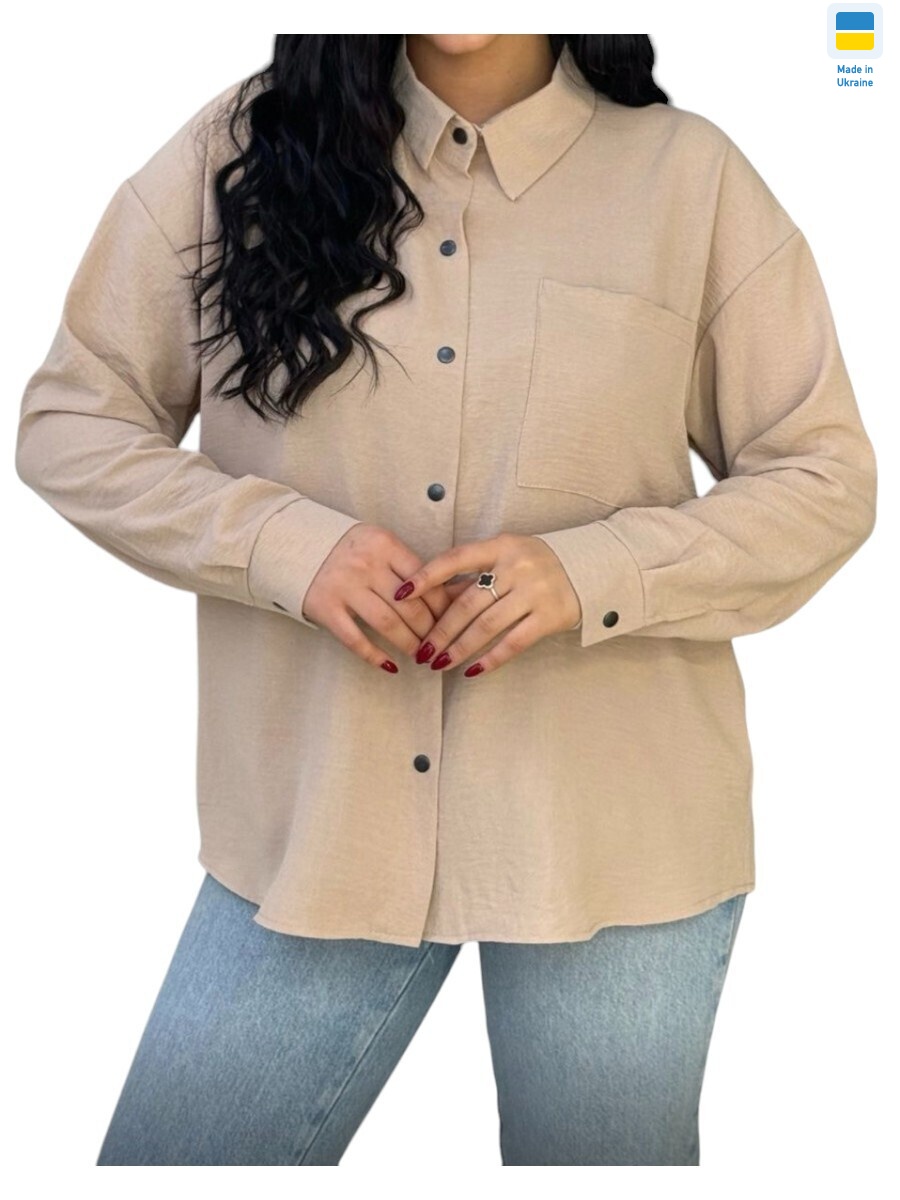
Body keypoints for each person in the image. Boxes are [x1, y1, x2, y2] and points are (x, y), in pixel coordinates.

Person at [15, 34, 877, 1166]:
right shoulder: (239, 152)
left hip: (614, 828)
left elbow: (825, 481)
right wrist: (283, 547)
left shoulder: (690, 176)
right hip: (320, 826)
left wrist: (595, 571)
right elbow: (73, 423)